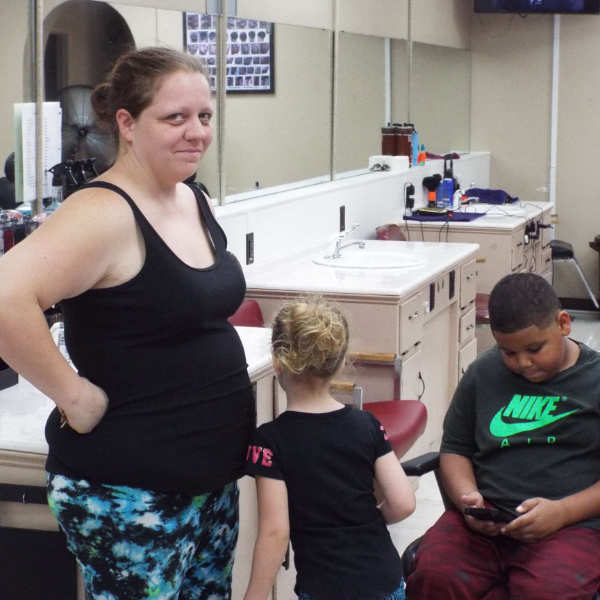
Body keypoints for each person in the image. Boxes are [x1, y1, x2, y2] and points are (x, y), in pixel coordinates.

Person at [0, 47, 255, 599]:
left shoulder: (192, 198)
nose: (196, 132)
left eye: (204, 116)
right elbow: (5, 299)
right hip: (130, 493)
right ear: (127, 123)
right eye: (175, 117)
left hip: (208, 484)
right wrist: (73, 396)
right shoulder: (103, 213)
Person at [406, 273, 600, 600]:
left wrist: (562, 513)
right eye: (508, 352)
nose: (523, 362)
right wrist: (467, 499)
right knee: (436, 577)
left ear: (564, 324)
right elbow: (455, 449)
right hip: (488, 520)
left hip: (572, 524)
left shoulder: (594, 379)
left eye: (535, 349)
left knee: (546, 592)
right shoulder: (483, 373)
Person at [243, 298, 415, 600]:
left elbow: (275, 533)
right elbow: (403, 503)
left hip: (325, 587)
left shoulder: (271, 441)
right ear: (339, 363)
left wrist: (253, 597)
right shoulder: (367, 424)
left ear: (278, 362)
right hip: (384, 581)